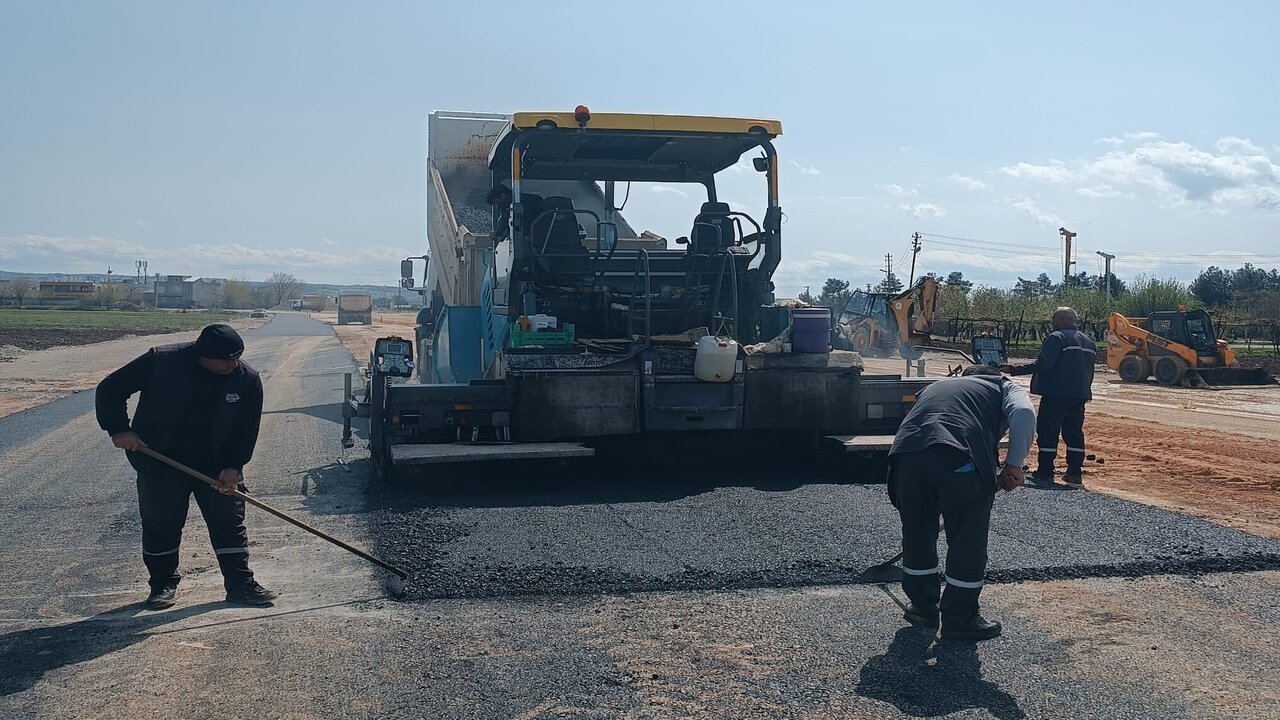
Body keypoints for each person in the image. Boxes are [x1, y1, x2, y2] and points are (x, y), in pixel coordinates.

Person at [96, 323, 277, 609]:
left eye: (238, 357)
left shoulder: (245, 378)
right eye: (227, 359)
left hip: (215, 467)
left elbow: (246, 429)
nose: (234, 363)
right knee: (162, 524)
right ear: (203, 356)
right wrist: (119, 429)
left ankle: (240, 584)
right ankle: (162, 585)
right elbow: (110, 389)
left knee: (228, 523)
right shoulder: (162, 361)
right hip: (161, 460)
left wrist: (233, 466)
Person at [888, 364, 1035, 641]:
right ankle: (960, 618)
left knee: (918, 532)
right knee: (967, 539)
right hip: (960, 458)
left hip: (906, 456)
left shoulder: (936, 386)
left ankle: (922, 608)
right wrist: (1014, 466)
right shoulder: (1003, 386)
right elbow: (1025, 414)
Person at [1000, 307, 1095, 487]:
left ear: (1061, 319)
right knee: (1074, 433)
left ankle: (1045, 472)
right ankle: (1074, 473)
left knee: (1048, 432)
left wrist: (1013, 370)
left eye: (1054, 319)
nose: (1052, 323)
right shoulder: (1088, 340)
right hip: (1079, 394)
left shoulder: (1056, 338)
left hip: (1056, 393)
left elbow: (1044, 364)